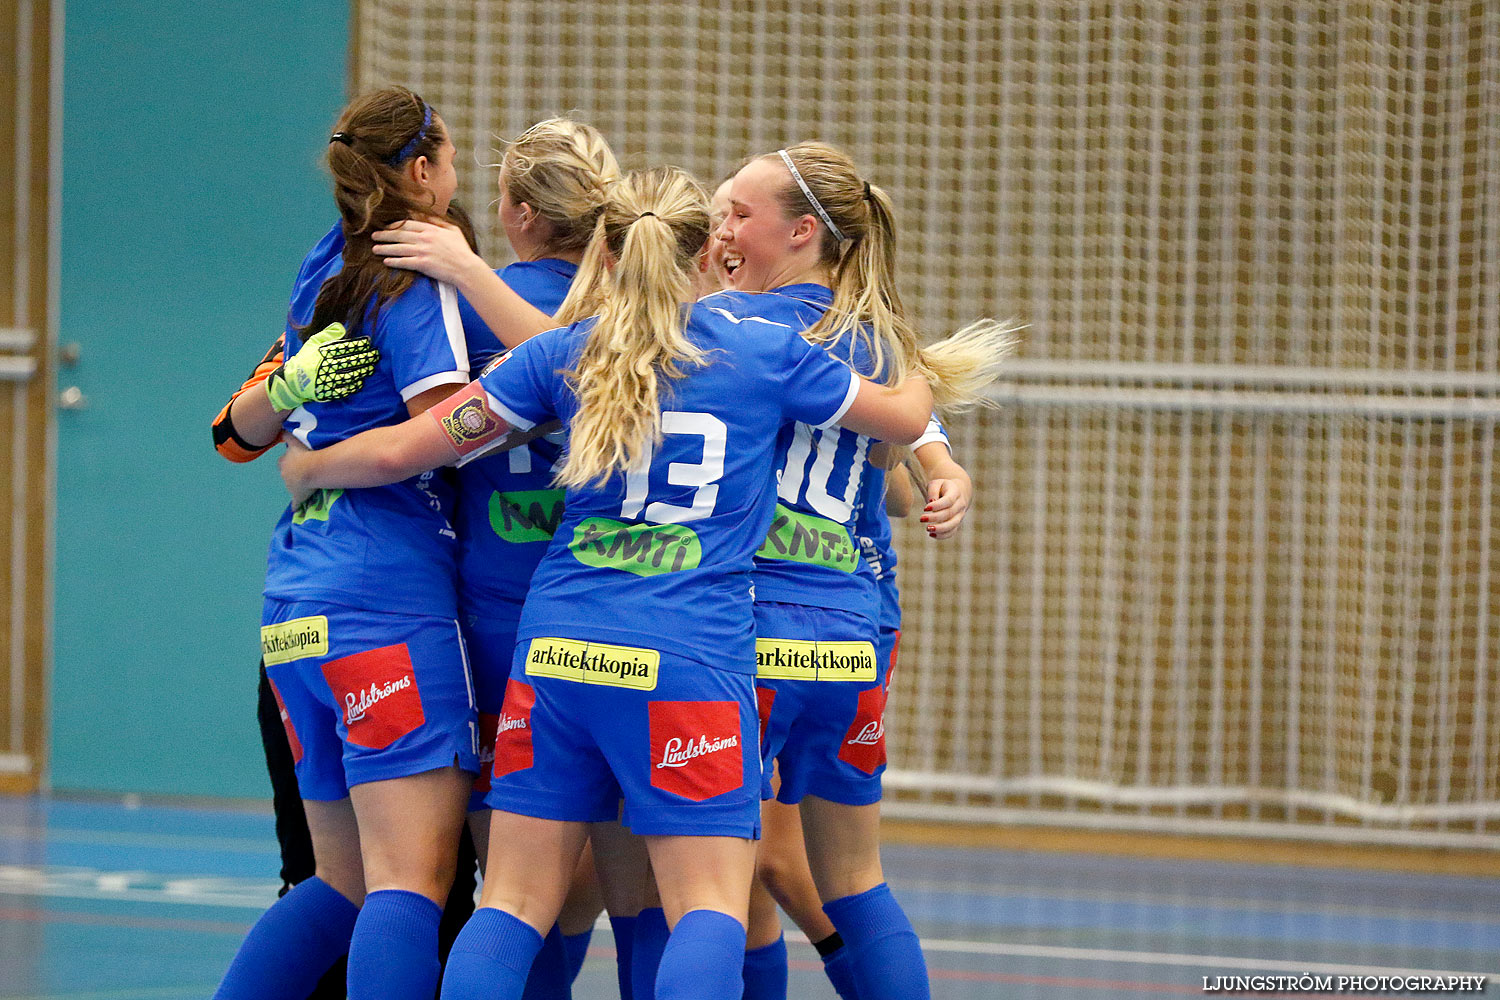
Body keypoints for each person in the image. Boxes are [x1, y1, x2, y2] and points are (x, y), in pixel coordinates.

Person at [273, 165, 981, 1000]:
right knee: (710, 905)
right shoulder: (761, 349)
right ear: (704, 250)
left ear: (607, 252)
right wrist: (901, 340)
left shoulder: (559, 355)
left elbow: (416, 445)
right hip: (691, 651)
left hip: (561, 650)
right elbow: (902, 420)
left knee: (511, 900)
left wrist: (310, 463)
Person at [713, 140, 1016, 1000]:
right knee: (847, 875)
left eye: (739, 213)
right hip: (847, 633)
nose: (721, 227)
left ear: (804, 232)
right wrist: (948, 475)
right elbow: (917, 444)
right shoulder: (884, 351)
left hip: (746, 622)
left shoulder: (741, 333)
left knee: (711, 877)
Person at [213, 86, 484, 1000]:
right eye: (448, 159)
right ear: (419, 173)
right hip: (385, 599)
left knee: (340, 884)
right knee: (412, 884)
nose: (458, 177)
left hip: (295, 605)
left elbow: (250, 436)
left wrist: (308, 446)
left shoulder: (322, 266)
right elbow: (449, 424)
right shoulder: (413, 277)